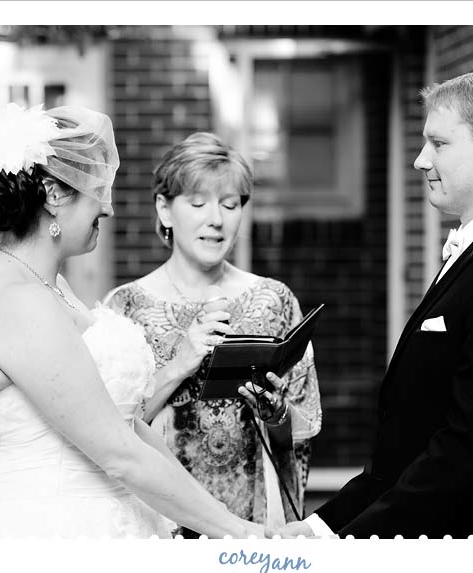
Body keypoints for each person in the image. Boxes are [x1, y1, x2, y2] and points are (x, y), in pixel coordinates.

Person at [279, 67, 473, 539]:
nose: (421, 161)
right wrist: (319, 529)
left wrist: (348, 548)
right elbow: (410, 447)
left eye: (438, 144)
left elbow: (471, 452)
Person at [0, 104, 266, 539]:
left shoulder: (48, 284)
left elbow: (128, 428)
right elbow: (119, 453)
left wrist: (218, 517)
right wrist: (236, 532)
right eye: (97, 188)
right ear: (54, 195)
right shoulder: (18, 300)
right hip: (46, 538)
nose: (109, 207)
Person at [103, 132, 322, 534]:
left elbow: (304, 427)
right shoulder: (125, 307)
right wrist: (179, 365)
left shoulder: (274, 300)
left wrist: (275, 412)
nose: (216, 220)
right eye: (198, 203)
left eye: (230, 204)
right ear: (165, 210)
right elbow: (110, 433)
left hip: (253, 522)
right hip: (161, 521)